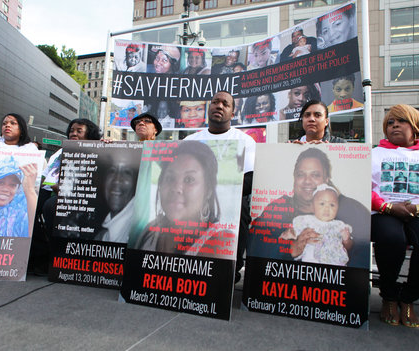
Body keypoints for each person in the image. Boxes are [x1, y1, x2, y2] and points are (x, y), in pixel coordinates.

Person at [371, 104, 419, 328]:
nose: (394, 125)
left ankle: (408, 298)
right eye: (390, 122)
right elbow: (361, 186)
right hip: (383, 211)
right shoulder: (373, 155)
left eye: (401, 121)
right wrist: (387, 207)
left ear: (415, 125)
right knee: (391, 239)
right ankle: (388, 295)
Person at [248, 147, 369, 268]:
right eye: (301, 175)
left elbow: (360, 263)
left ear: (326, 179)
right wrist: (289, 249)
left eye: (315, 175)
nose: (307, 181)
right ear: (294, 178)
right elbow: (256, 249)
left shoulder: (351, 210)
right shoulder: (278, 208)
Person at [184, 91, 256, 281]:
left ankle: (231, 268)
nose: (219, 106)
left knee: (241, 208)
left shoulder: (245, 141)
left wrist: (215, 187)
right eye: (215, 102)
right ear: (209, 108)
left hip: (230, 200)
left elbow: (250, 178)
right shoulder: (189, 141)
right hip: (192, 198)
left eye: (226, 104)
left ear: (233, 113)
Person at [135, 141, 234, 258]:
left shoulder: (221, 242)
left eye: (189, 179)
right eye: (170, 178)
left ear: (208, 191)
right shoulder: (149, 233)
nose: (176, 188)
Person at [290, 184, 353, 266]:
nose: (327, 208)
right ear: (312, 207)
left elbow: (348, 247)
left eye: (332, 205)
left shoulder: (339, 225)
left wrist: (346, 240)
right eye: (322, 204)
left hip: (336, 263)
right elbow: (294, 238)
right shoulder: (307, 221)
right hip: (312, 262)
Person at [94, 150, 140, 243]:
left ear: (136, 181)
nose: (117, 180)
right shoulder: (104, 234)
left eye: (127, 172)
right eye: (112, 170)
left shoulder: (137, 234)